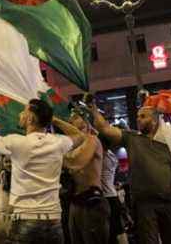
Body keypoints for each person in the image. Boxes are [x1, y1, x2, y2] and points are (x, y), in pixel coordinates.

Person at [0, 91, 85, 244]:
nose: (20, 114)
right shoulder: (58, 143)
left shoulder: (17, 143)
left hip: (26, 221)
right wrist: (54, 120)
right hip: (53, 221)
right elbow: (80, 135)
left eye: (24, 111)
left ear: (31, 118)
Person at [89, 98, 171, 243]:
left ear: (154, 120)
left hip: (169, 200)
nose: (138, 119)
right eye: (138, 116)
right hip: (144, 203)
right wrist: (93, 108)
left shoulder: (168, 141)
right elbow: (105, 129)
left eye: (143, 116)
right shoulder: (131, 138)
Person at [62, 103, 110, 244]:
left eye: (77, 118)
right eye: (70, 122)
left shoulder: (92, 140)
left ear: (85, 122)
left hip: (92, 202)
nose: (73, 123)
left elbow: (76, 162)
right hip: (74, 202)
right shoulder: (69, 147)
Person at [100, 146, 126, 244]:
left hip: (107, 198)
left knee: (111, 231)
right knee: (118, 229)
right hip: (113, 196)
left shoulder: (103, 156)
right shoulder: (112, 156)